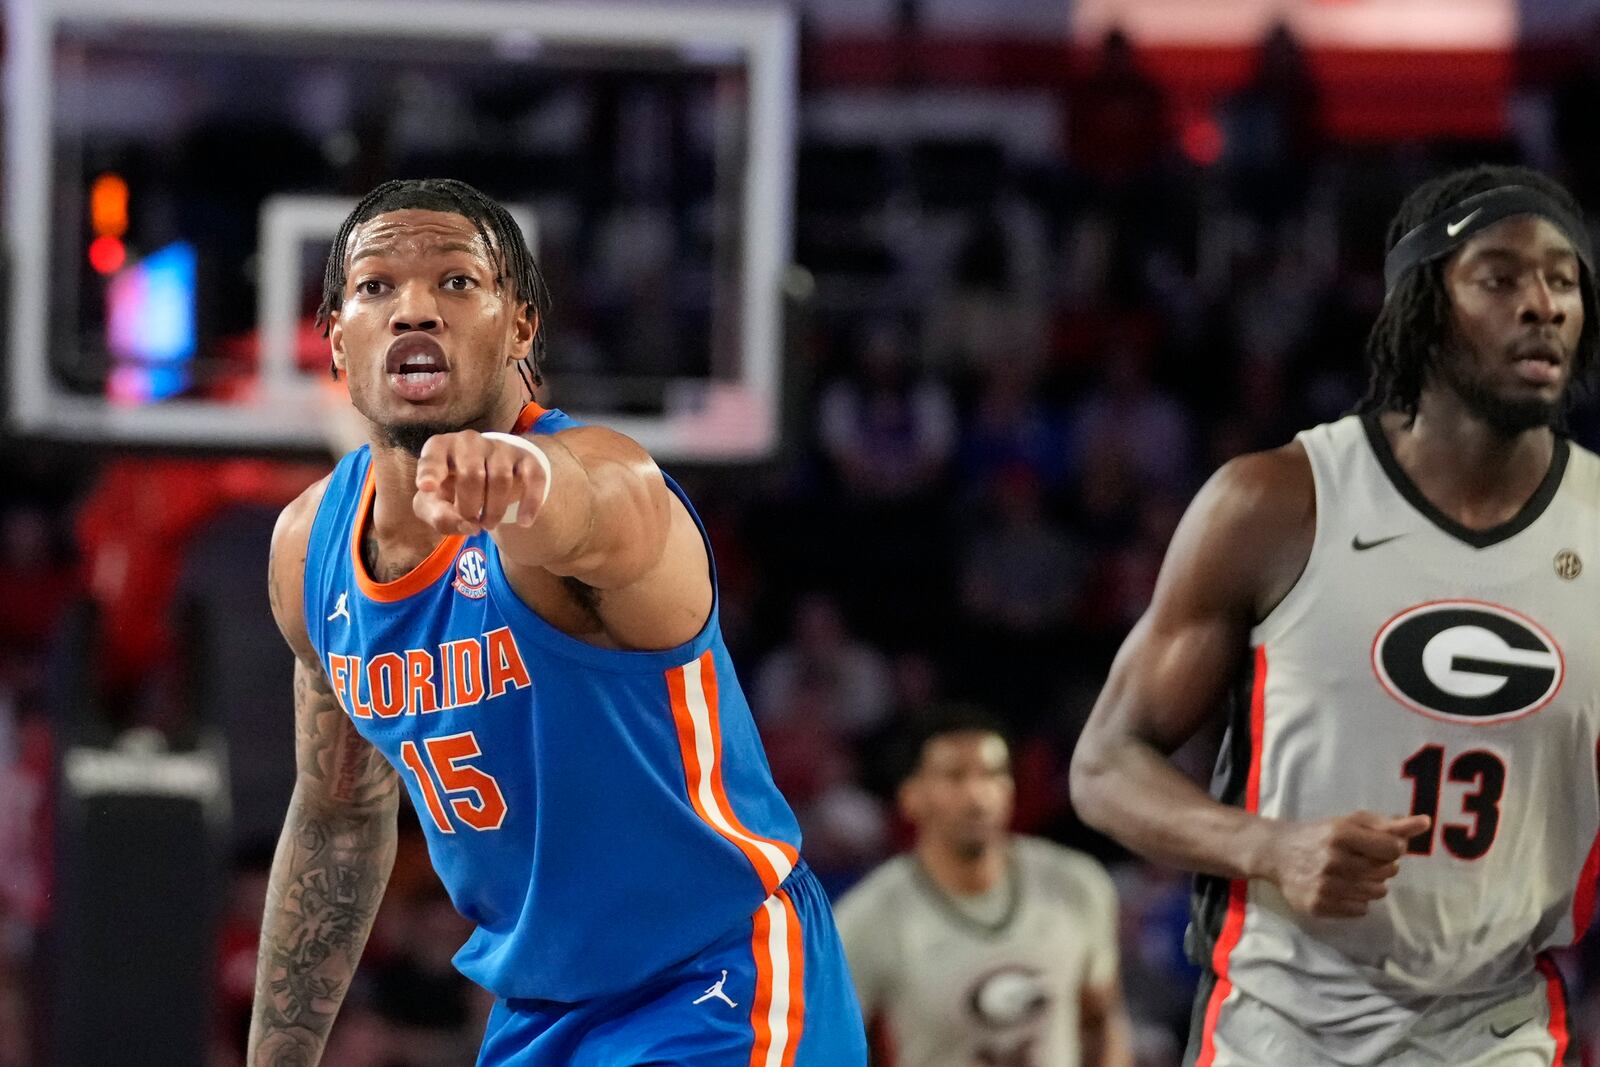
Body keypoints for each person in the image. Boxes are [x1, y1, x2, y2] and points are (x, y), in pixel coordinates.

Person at [247, 178, 866, 1066]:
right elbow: (340, 818)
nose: (415, 306)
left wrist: (527, 484)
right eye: (377, 285)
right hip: (543, 1013)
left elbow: (607, 504)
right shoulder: (309, 552)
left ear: (523, 326)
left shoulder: (595, 480)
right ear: (337, 339)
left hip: (722, 981)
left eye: (457, 282)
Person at [1069, 163, 1600, 1066]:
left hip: (1499, 1021)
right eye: (1501, 277)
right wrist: (1270, 845)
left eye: (1562, 278)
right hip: (1284, 1021)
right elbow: (1103, 765)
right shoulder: (1277, 502)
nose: (1543, 303)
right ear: (1424, 308)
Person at [836, 708, 1132, 1067]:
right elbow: (830, 1046)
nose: (977, 796)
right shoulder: (868, 917)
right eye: (954, 777)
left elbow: (1102, 1020)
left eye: (992, 774)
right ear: (911, 797)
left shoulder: (1076, 884)